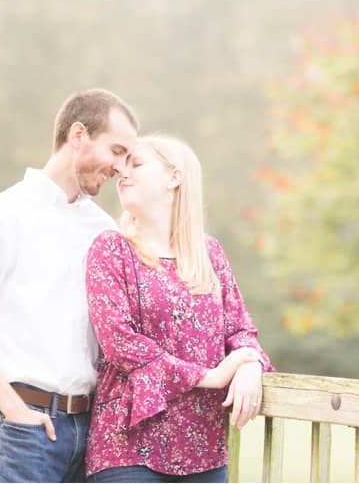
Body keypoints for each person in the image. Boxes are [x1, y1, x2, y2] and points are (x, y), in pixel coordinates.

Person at [0, 88, 139, 482]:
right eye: (117, 151)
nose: (121, 167)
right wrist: (16, 412)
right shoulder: (4, 215)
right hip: (24, 433)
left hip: (90, 431)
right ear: (78, 135)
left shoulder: (103, 229)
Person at [84, 135, 275, 483]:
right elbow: (119, 342)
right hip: (128, 448)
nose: (122, 173)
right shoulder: (111, 249)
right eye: (121, 167)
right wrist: (210, 376)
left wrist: (249, 364)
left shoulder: (209, 254)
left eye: (136, 164)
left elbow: (240, 330)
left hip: (204, 452)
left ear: (174, 177)